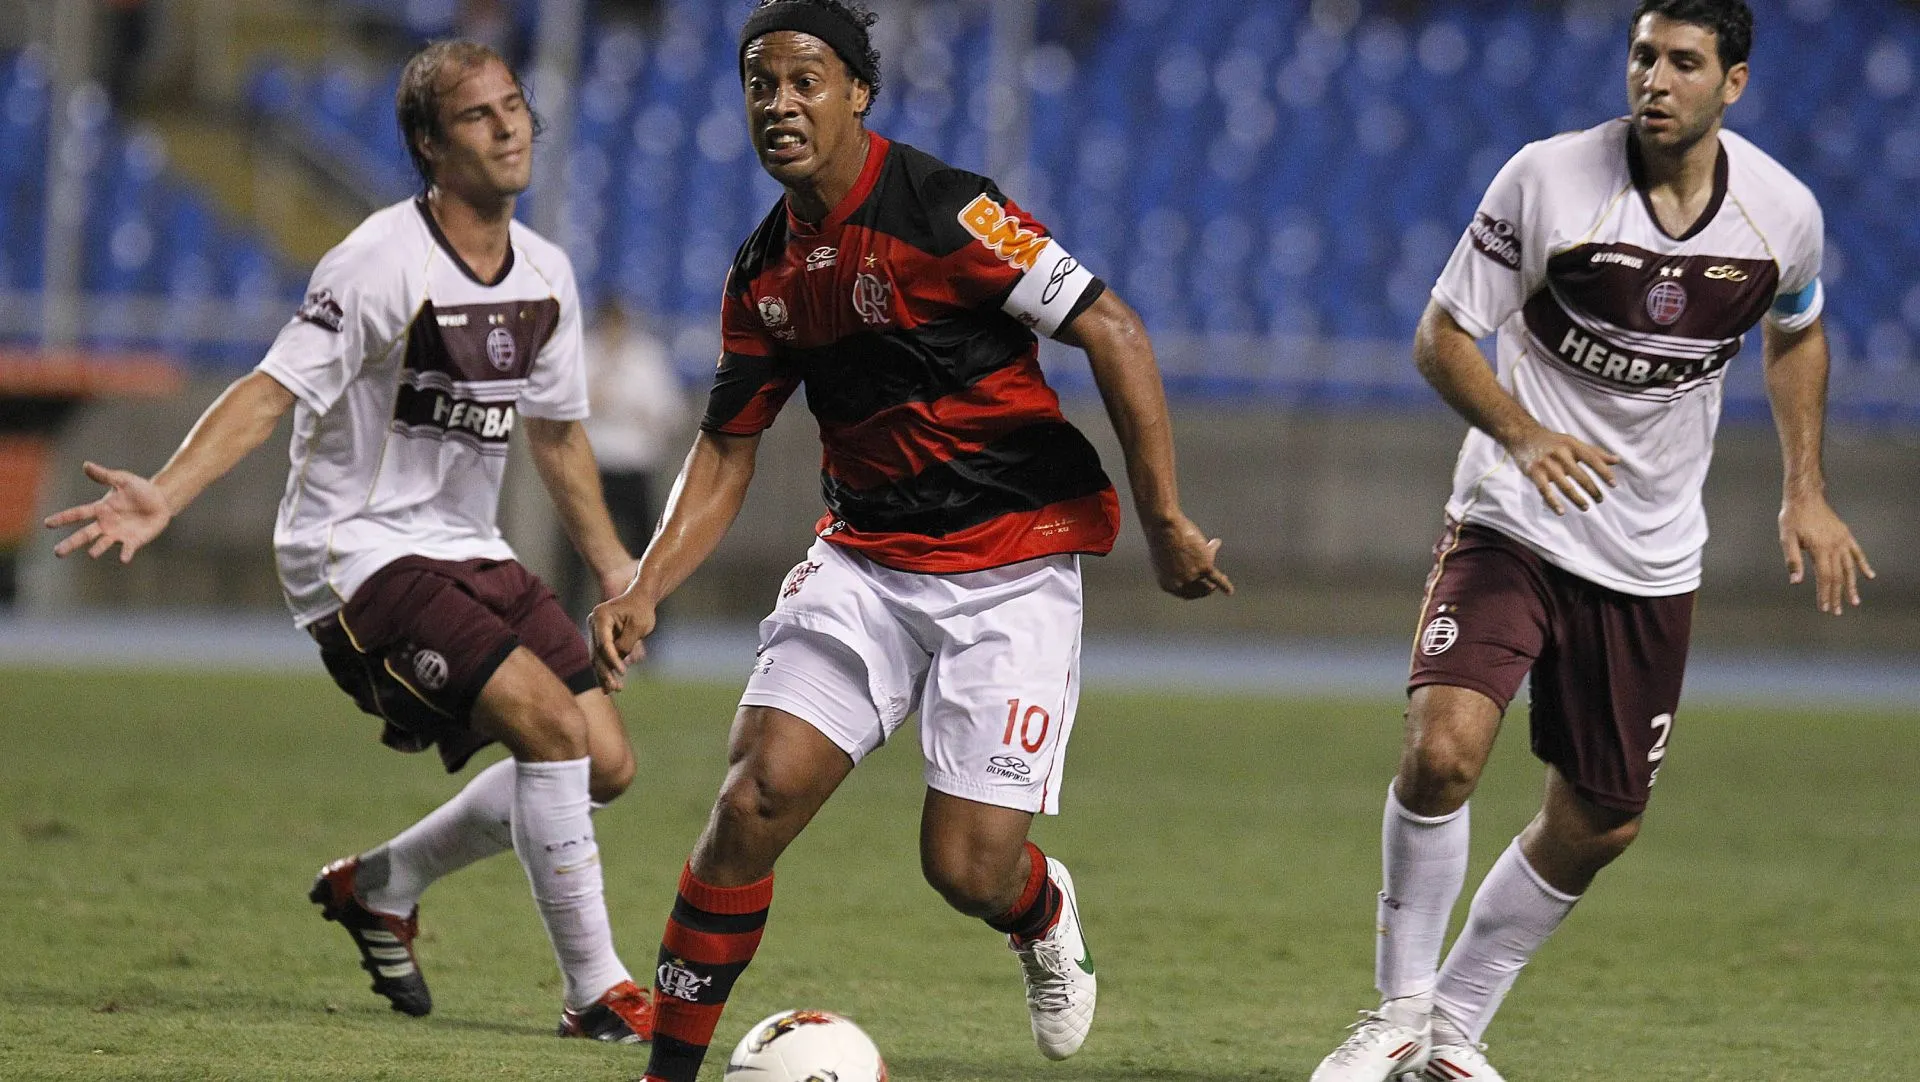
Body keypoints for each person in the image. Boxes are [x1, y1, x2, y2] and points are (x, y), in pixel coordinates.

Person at [588, 2, 1233, 1079]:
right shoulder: (763, 274)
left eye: (805, 80)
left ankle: (1040, 907)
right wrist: (644, 584)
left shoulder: (951, 211)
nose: (780, 103)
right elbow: (727, 447)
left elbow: (1113, 328)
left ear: (857, 95)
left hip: (1014, 561)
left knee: (969, 866)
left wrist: (1163, 518)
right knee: (752, 798)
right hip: (868, 561)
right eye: (760, 83)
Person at [45, 41, 655, 1044]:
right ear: (428, 143)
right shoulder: (378, 258)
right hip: (356, 554)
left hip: (470, 544)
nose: (508, 127)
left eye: (515, 108)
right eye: (478, 115)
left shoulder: (547, 271)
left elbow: (557, 433)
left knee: (606, 761)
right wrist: (167, 491)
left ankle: (383, 883)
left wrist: (618, 568)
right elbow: (271, 389)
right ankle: (598, 992)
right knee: (551, 728)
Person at [1308, 3, 1873, 1080]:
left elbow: (1797, 331)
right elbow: (1441, 337)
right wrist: (1521, 434)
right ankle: (1399, 1010)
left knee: (1603, 817)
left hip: (1649, 548)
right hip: (1513, 514)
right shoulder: (1549, 180)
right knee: (1441, 749)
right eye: (1643, 56)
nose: (1655, 78)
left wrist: (1807, 487)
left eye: (1684, 62)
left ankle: (1456, 1029)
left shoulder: (1780, 213)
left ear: (1734, 83)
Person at [560, 297, 687, 623]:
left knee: (647, 548)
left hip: (633, 466)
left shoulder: (647, 357)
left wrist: (632, 408)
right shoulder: (585, 353)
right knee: (576, 550)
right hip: (593, 465)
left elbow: (670, 413)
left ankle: (651, 623)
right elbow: (563, 409)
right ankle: (569, 621)